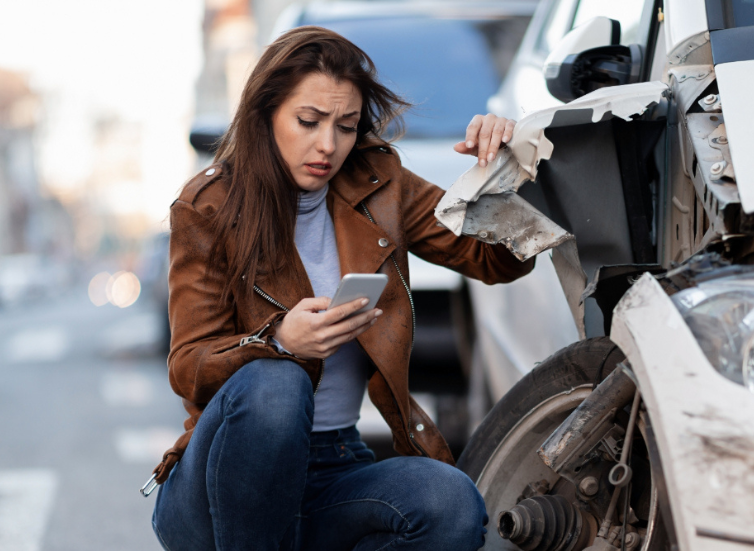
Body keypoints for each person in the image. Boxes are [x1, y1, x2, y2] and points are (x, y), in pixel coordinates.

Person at [150, 26, 535, 551]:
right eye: (308, 122)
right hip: (219, 487)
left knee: (450, 504)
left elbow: (496, 260)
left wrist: (505, 171)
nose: (328, 145)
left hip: (334, 467)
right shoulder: (209, 205)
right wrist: (282, 341)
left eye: (346, 126)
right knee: (277, 385)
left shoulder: (378, 183)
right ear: (265, 116)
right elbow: (188, 364)